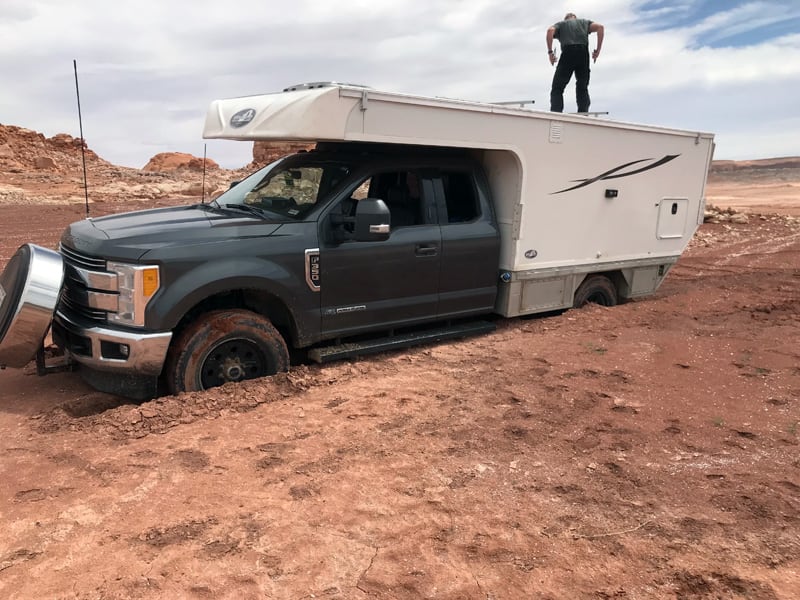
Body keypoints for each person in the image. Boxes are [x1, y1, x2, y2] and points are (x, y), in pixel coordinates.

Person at [546, 13, 604, 113]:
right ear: (575, 18)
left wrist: (550, 52)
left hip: (568, 52)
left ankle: (556, 112)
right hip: (583, 53)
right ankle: (583, 112)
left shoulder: (561, 24)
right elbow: (600, 27)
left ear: (566, 19)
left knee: (557, 88)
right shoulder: (584, 22)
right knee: (582, 86)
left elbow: (550, 31)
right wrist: (598, 50)